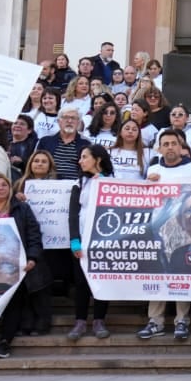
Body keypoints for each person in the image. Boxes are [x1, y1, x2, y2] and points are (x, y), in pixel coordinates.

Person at [0, 173, 45, 360]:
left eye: (4, 184)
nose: (1, 188)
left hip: (15, 267)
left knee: (13, 305)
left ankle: (4, 343)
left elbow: (34, 235)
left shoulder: (22, 208)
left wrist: (32, 258)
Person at [67, 145, 114, 341]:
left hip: (105, 241)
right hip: (83, 241)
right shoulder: (79, 183)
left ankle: (99, 320)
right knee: (81, 282)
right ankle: (79, 321)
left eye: (84, 157)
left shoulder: (113, 182)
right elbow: (72, 214)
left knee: (102, 280)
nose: (80, 161)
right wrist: (75, 241)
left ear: (98, 159)